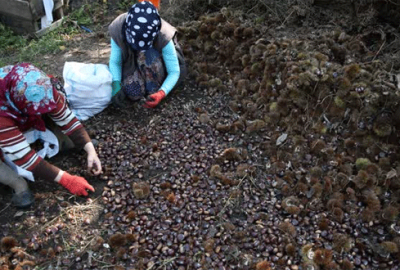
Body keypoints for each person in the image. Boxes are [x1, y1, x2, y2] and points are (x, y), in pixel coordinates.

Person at [0, 63, 102, 208]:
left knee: (48, 115)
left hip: (18, 112)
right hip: (5, 118)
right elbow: (25, 157)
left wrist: (90, 149)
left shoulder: (42, 86)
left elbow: (67, 119)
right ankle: (18, 184)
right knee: (11, 159)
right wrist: (67, 179)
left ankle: (64, 140)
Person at [108, 0, 186, 108]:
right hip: (130, 60)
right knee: (133, 93)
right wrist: (116, 83)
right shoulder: (118, 27)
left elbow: (174, 71)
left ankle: (153, 87)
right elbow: (115, 62)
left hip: (154, 58)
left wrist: (162, 93)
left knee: (153, 90)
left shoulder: (163, 34)